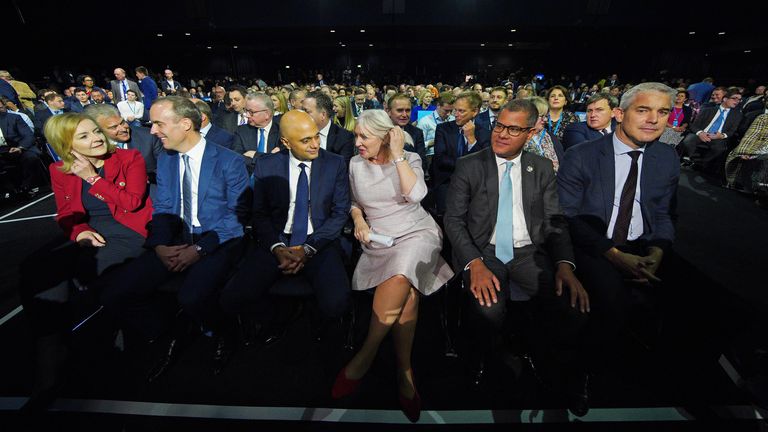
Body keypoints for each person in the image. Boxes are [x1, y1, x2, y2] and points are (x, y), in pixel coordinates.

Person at [444, 98, 589, 415]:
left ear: (531, 131)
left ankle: (556, 371)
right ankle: (499, 364)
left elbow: (555, 221)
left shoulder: (541, 167)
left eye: (513, 129)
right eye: (499, 125)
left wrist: (565, 265)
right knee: (488, 312)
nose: (502, 134)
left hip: (529, 253)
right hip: (485, 252)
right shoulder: (470, 165)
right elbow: (453, 221)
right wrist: (474, 263)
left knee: (572, 307)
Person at [99, 96, 249, 379]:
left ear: (185, 124)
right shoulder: (166, 160)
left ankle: (224, 331)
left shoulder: (229, 161)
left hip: (218, 240)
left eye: (158, 124)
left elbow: (237, 216)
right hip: (175, 240)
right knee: (115, 293)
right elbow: (164, 208)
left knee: (191, 296)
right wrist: (159, 246)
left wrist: (200, 250)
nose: (152, 131)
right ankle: (169, 330)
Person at [557, 83, 681, 415]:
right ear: (620, 114)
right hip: (592, 244)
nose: (654, 120)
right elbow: (567, 216)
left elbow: (664, 213)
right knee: (611, 301)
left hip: (642, 244)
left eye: (663, 112)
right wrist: (613, 254)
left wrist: (658, 251)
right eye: (644, 110)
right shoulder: (582, 155)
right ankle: (579, 373)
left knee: (693, 299)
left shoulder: (667, 157)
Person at [19, 113, 152, 407]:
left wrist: (91, 177)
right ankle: (50, 356)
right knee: (37, 269)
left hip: (127, 230)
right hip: (88, 231)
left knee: (93, 272)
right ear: (66, 144)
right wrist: (79, 232)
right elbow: (66, 214)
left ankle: (121, 348)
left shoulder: (129, 158)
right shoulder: (59, 169)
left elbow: (131, 203)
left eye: (95, 132)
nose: (96, 139)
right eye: (84, 136)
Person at [332, 110, 453, 423]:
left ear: (386, 136)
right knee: (407, 295)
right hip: (379, 237)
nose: (356, 142)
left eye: (363, 137)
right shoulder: (355, 163)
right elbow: (353, 202)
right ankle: (405, 370)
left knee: (401, 274)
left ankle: (365, 354)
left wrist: (398, 154)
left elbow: (417, 195)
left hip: (416, 232)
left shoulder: (409, 158)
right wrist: (359, 220)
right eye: (355, 135)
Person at [220, 110, 351, 344]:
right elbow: (259, 214)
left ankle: (317, 326)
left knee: (336, 304)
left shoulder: (334, 163)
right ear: (285, 142)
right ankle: (272, 318)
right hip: (277, 240)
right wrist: (277, 247)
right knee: (233, 296)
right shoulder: (267, 165)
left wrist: (308, 249)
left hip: (318, 240)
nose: (315, 145)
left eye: (316, 137)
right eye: (305, 140)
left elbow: (339, 213)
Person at [431, 91, 491, 214]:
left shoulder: (485, 134)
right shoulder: (443, 129)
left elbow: (484, 163)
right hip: (447, 181)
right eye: (455, 110)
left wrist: (472, 140)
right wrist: (467, 167)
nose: (456, 115)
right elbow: (441, 159)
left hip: (473, 185)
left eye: (461, 111)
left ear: (475, 112)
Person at [679, 87, 744, 176]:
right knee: (688, 140)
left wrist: (722, 136)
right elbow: (693, 125)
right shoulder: (708, 110)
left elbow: (732, 131)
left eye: (739, 99)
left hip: (718, 137)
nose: (737, 101)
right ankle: (697, 162)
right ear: (725, 99)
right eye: (734, 98)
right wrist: (700, 133)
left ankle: (702, 164)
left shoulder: (737, 114)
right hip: (702, 133)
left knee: (719, 149)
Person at [302, 91, 355, 164]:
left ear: (323, 115)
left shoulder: (344, 137)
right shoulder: (298, 133)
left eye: (306, 111)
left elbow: (342, 168)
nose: (302, 115)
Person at [725, 113, 768, 192]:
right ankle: (756, 188)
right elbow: (750, 137)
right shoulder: (764, 118)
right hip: (757, 151)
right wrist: (744, 151)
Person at [524, 96, 565, 171]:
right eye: (541, 116)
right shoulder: (518, 138)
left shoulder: (549, 136)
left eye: (546, 116)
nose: (545, 120)